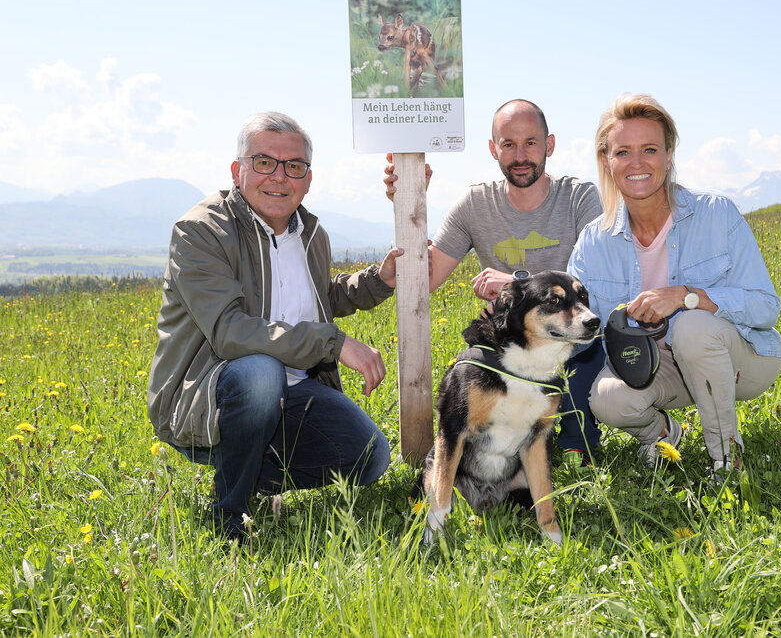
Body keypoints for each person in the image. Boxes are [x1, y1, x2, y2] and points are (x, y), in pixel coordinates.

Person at [148, 111, 402, 540]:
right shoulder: (201, 231)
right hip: (210, 391)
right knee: (261, 371)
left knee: (370, 457)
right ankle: (229, 513)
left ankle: (252, 471)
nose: (280, 177)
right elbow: (230, 331)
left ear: (308, 178)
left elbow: (321, 295)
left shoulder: (309, 232)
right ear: (238, 170)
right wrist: (333, 343)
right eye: (265, 162)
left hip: (296, 392)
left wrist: (379, 280)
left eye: (294, 166)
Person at [568, 94, 781, 473]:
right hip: (658, 365)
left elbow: (766, 306)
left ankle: (726, 459)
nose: (637, 163)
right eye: (622, 152)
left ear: (669, 155)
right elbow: (573, 327)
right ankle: (663, 433)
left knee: (692, 326)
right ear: (607, 160)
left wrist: (689, 297)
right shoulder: (592, 240)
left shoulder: (718, 214)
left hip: (739, 359)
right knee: (607, 398)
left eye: (649, 149)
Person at [383, 99, 605, 465]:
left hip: (573, 346)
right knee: (470, 377)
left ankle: (575, 434)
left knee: (572, 448)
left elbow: (598, 280)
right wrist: (408, 199)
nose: (520, 155)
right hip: (512, 346)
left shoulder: (579, 198)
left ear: (549, 145)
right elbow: (427, 277)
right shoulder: (476, 203)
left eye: (531, 143)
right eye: (508, 144)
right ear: (493, 149)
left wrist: (517, 283)